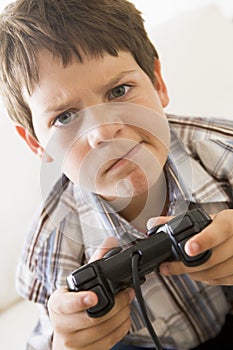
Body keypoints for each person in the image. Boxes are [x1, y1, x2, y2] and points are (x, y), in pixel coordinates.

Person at [0, 0, 233, 349]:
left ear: (158, 82)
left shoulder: (221, 148)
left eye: (119, 91)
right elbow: (48, 337)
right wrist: (66, 342)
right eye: (64, 117)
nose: (103, 132)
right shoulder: (51, 243)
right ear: (38, 144)